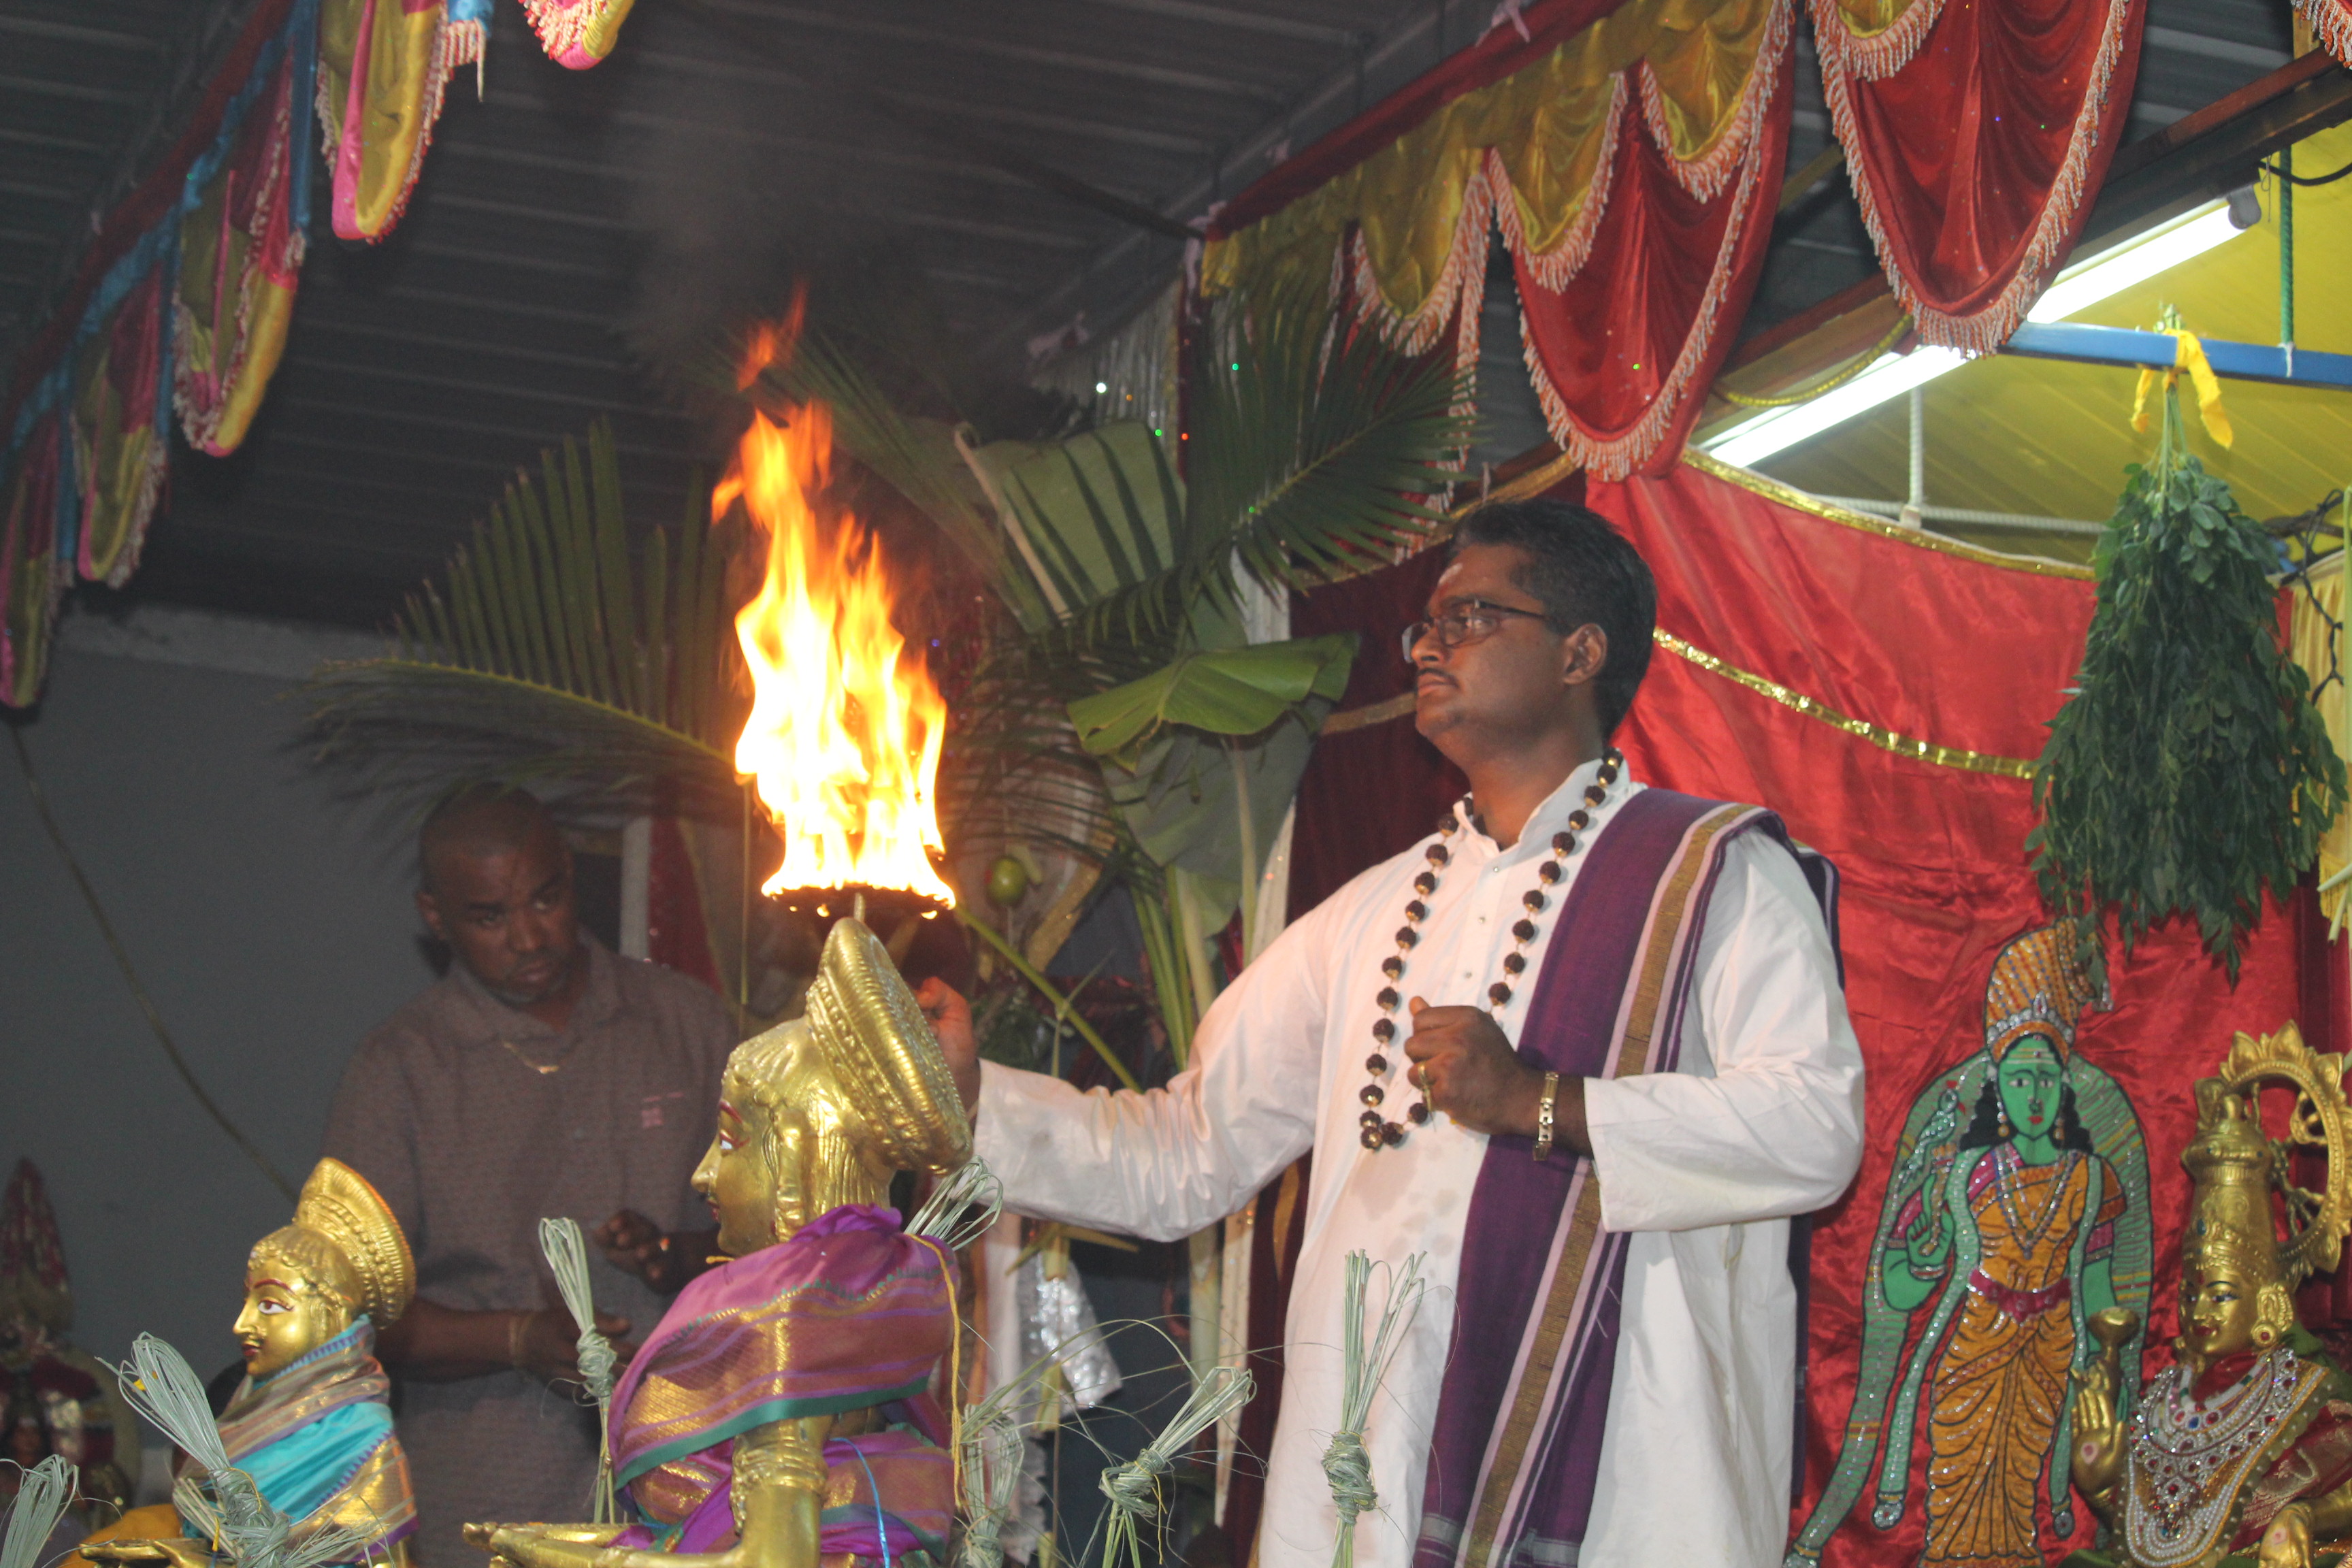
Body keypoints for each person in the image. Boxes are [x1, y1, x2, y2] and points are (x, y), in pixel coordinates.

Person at [928, 500, 1866, 1568]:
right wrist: (970, 1100)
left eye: (1470, 617)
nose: (1427, 645)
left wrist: (1540, 1103)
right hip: (1373, 1469)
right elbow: (1185, 1151)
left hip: (1629, 1482)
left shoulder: (1715, 877)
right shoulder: (1370, 915)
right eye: (1425, 624)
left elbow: (1813, 1126)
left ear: (1580, 652)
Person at [466, 915, 968, 1568]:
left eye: (730, 1141)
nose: (704, 1172)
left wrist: (565, 1558)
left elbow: (766, 1563)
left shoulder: (792, 1341)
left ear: (793, 1168)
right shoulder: (872, 1289)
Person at [321, 786, 737, 1566]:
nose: (529, 936)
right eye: (489, 917)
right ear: (436, 918)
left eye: (546, 899)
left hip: (688, 1489)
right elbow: (350, 1319)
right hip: (488, 1498)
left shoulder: (688, 1022)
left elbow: (782, 1250)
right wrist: (518, 1339)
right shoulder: (399, 1070)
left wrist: (678, 1254)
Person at [79, 1158, 419, 1568]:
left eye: (271, 1305)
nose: (243, 1325)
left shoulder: (360, 1437)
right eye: (246, 1303)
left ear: (332, 1315)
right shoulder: (240, 1422)